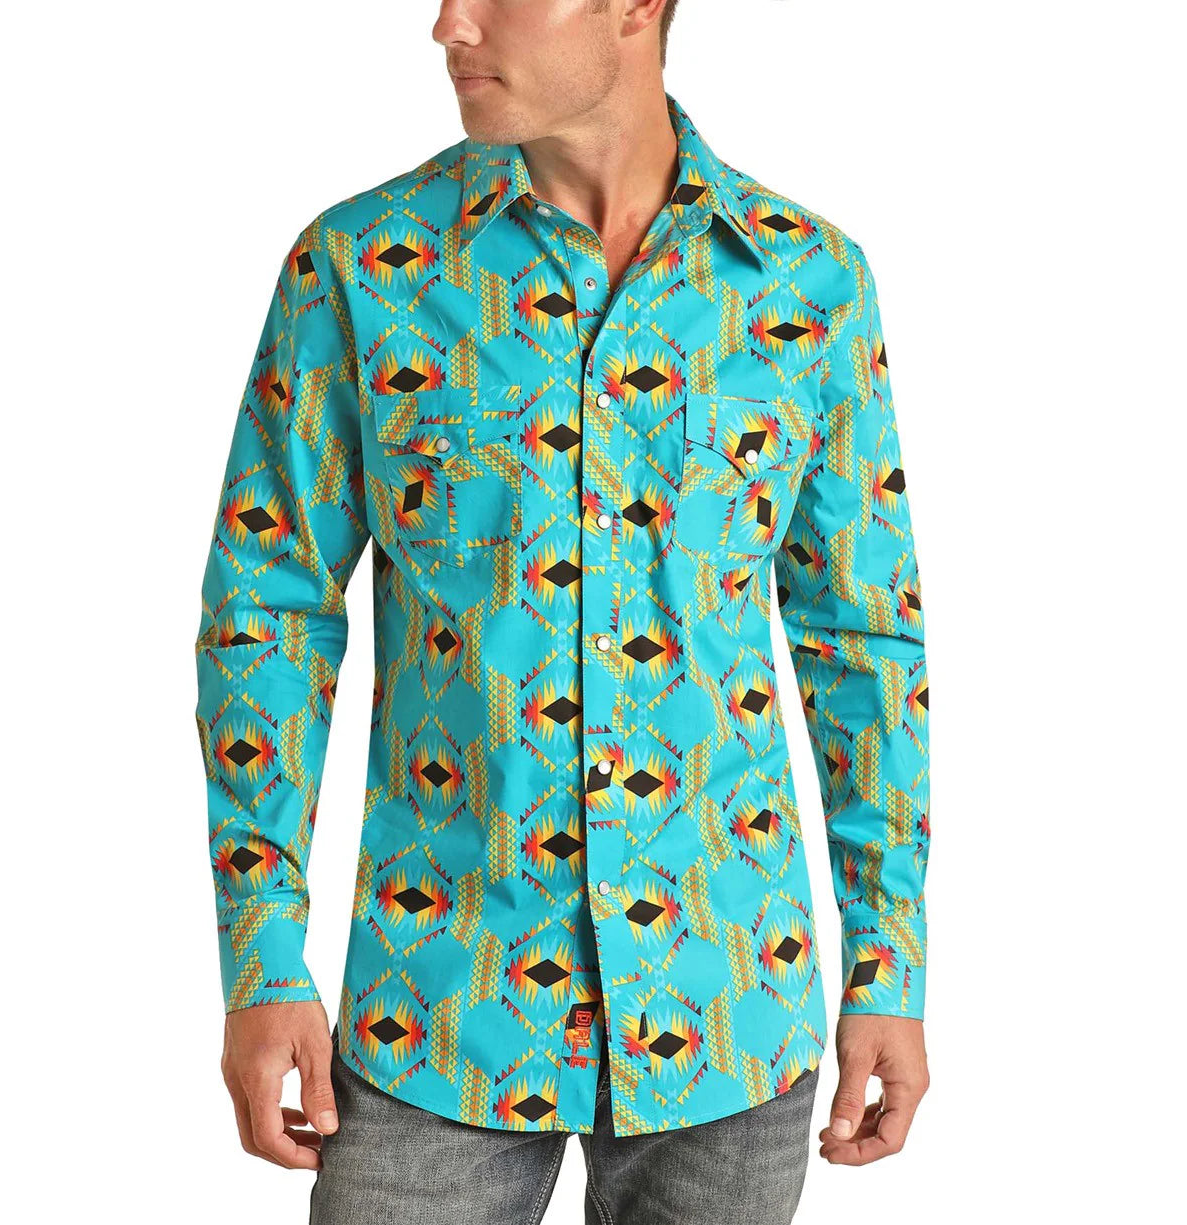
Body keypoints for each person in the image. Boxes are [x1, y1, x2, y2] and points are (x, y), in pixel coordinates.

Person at [192, 2, 931, 1221]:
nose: (448, 24)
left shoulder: (807, 283)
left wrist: (887, 965)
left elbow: (862, 637)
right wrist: (261, 953)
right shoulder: (362, 267)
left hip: (729, 1004)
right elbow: (264, 615)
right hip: (437, 1010)